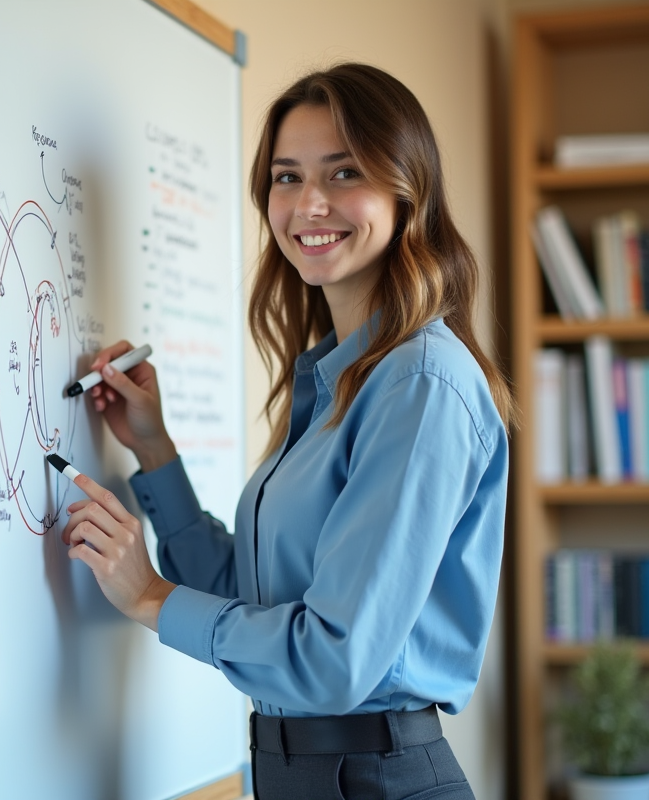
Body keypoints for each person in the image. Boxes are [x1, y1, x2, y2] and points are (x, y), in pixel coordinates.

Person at [60, 63, 518, 800]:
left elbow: (332, 659)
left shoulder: (419, 384)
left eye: (344, 172)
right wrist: (153, 448)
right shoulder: (339, 379)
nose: (309, 203)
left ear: (407, 190)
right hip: (304, 776)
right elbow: (257, 600)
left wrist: (148, 595)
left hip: (374, 779)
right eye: (287, 177)